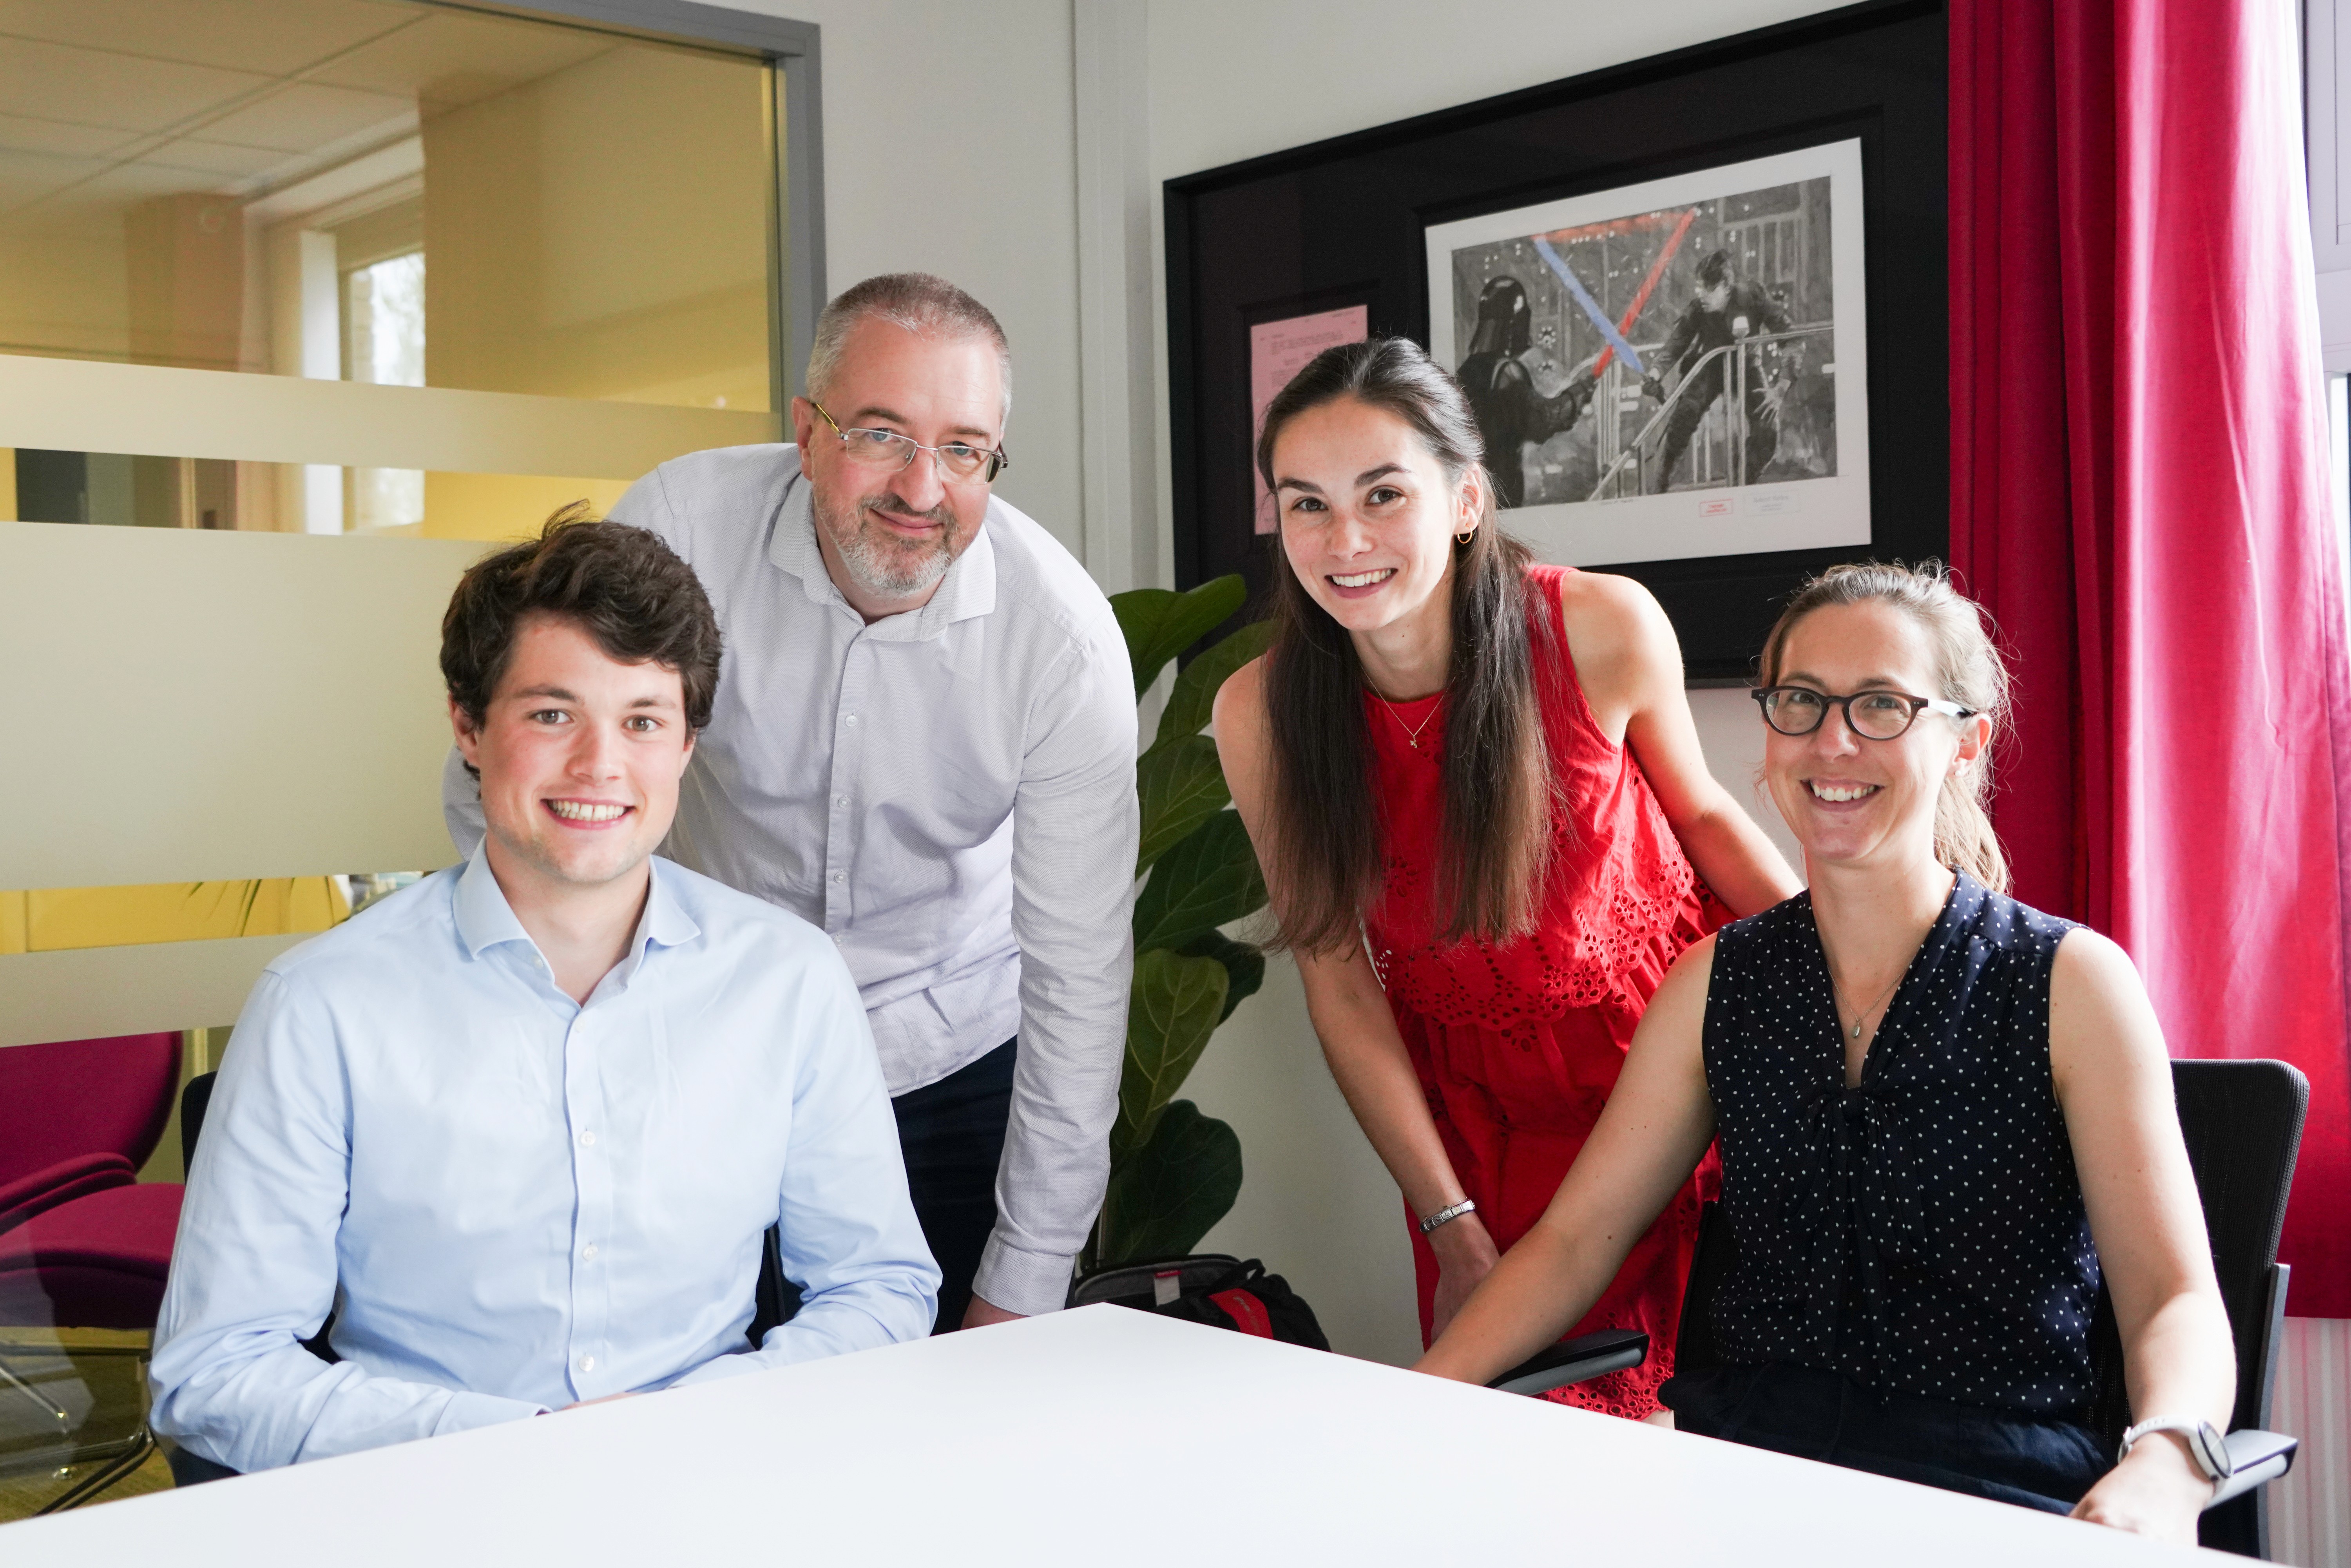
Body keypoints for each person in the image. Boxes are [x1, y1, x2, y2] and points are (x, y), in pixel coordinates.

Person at [1416, 562, 2237, 1541]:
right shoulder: (1715, 981)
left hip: (1991, 1487)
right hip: (1741, 1478)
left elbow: (2174, 1297)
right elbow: (1566, 1247)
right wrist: (1408, 1399)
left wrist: (2169, 1460)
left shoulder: (2072, 982)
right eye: (1800, 701)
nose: (1832, 739)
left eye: (1882, 704)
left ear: (1966, 741)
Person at [150, 515, 939, 1473]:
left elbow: (881, 1287)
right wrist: (521, 1447)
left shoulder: (788, 980)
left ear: (688, 744)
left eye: (644, 719)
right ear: (469, 729)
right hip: (421, 1506)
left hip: (713, 1483)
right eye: (552, 713)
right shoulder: (322, 1007)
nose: (601, 766)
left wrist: (695, 1422)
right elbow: (214, 1368)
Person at [444, 274, 1136, 1333]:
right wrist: (554, 1010)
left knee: (930, 1432)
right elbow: (531, 768)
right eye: (881, 434)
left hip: (946, 1050)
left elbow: (1081, 972)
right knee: (677, 1386)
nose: (921, 487)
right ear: (808, 433)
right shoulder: (681, 527)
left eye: (963, 449)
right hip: (696, 1039)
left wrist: (1023, 1285)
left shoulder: (1062, 643)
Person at [1214, 337, 1800, 1423]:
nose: (1345, 541)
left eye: (1384, 494)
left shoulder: (1596, 625)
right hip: (1486, 1139)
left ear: (1466, 499)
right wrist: (1452, 1221)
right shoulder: (1261, 715)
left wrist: (1867, 977)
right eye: (1307, 505)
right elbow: (1340, 983)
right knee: (1521, 1446)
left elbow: (1709, 820)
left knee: (1724, 1434)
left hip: (1685, 1074)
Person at [1643, 250, 1791, 490]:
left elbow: (1791, 338)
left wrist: (1781, 388)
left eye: (1708, 289)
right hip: (1711, 366)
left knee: (1767, 429)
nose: (1701, 294)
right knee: (1685, 414)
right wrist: (1656, 373)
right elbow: (1677, 342)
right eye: (1699, 287)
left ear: (1725, 286)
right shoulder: (1699, 308)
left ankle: (1743, 478)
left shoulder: (1753, 296)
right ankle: (1662, 478)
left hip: (1747, 366)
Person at [1454, 275, 1597, 509]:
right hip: (1503, 489)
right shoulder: (1507, 372)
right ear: (1513, 323)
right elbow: (1543, 421)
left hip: (1473, 495)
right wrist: (1581, 392)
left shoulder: (1464, 373)